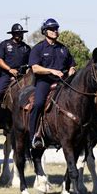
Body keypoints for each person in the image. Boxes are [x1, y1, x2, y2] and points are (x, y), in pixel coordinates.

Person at [28, 18, 76, 149]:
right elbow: (35, 68)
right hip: (44, 81)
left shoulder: (63, 48)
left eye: (56, 29)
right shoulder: (38, 48)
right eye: (52, 29)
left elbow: (72, 64)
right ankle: (33, 135)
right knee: (38, 104)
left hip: (62, 81)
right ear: (45, 31)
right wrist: (51, 71)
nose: (55, 31)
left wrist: (72, 70)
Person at [0, 23, 31, 123]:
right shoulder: (5, 44)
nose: (19, 35)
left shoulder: (26, 48)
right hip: (6, 75)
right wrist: (9, 70)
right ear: (12, 34)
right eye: (16, 33)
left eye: (20, 33)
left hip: (22, 76)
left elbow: (31, 64)